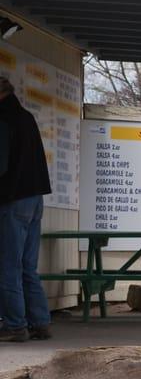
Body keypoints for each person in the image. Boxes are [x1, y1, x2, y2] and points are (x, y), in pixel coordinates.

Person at [0, 77, 52, 342]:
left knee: (8, 266)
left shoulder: (4, 120)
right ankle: (40, 322)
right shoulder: (26, 117)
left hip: (13, 199)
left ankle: (14, 326)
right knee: (27, 267)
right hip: (35, 199)